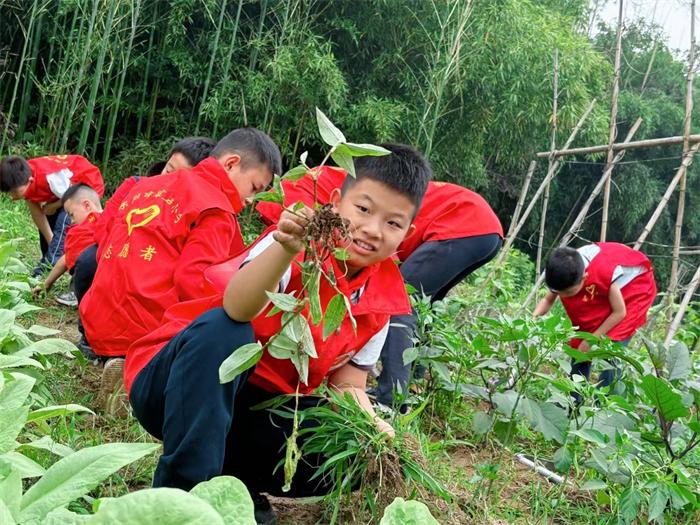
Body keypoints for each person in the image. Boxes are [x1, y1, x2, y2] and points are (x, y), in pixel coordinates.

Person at [124, 145, 432, 523]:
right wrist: (285, 250)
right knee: (225, 332)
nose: (372, 229)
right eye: (364, 209)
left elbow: (348, 385)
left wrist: (375, 429)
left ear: (408, 233)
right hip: (177, 384)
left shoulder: (379, 301)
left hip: (250, 410)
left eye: (393, 223)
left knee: (351, 446)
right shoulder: (293, 244)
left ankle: (236, 480)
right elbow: (236, 308)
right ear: (335, 203)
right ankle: (185, 498)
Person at [257, 168, 504, 409]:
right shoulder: (347, 179)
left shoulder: (304, 189)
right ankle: (412, 378)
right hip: (485, 229)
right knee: (423, 304)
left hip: (464, 223)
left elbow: (300, 234)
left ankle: (391, 401)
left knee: (399, 301)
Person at [79, 128, 280, 403]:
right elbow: (194, 281)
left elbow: (105, 242)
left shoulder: (146, 186)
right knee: (220, 325)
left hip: (98, 316)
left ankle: (118, 362)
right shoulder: (215, 208)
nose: (250, 200)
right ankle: (138, 374)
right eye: (254, 188)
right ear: (231, 163)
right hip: (144, 329)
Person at [534, 243, 657, 397]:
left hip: (633, 287)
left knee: (611, 349)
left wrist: (591, 339)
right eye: (560, 292)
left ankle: (604, 405)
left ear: (584, 278)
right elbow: (548, 300)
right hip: (604, 289)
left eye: (568, 292)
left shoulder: (603, 273)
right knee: (581, 342)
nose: (563, 297)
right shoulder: (562, 272)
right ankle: (574, 401)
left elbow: (619, 312)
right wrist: (532, 319)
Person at [0, 154, 104, 276]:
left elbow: (71, 198)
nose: (13, 197)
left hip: (84, 189)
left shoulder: (50, 177)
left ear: (31, 181)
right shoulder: (22, 175)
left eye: (14, 192)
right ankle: (49, 259)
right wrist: (51, 242)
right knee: (51, 225)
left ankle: (45, 270)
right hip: (63, 194)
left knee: (64, 224)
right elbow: (38, 215)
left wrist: (53, 206)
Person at [34, 184, 103, 297]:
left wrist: (46, 284)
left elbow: (69, 257)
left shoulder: (83, 230)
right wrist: (46, 283)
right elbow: (66, 257)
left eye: (72, 215)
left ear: (87, 206)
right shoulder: (114, 219)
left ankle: (76, 293)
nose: (71, 221)